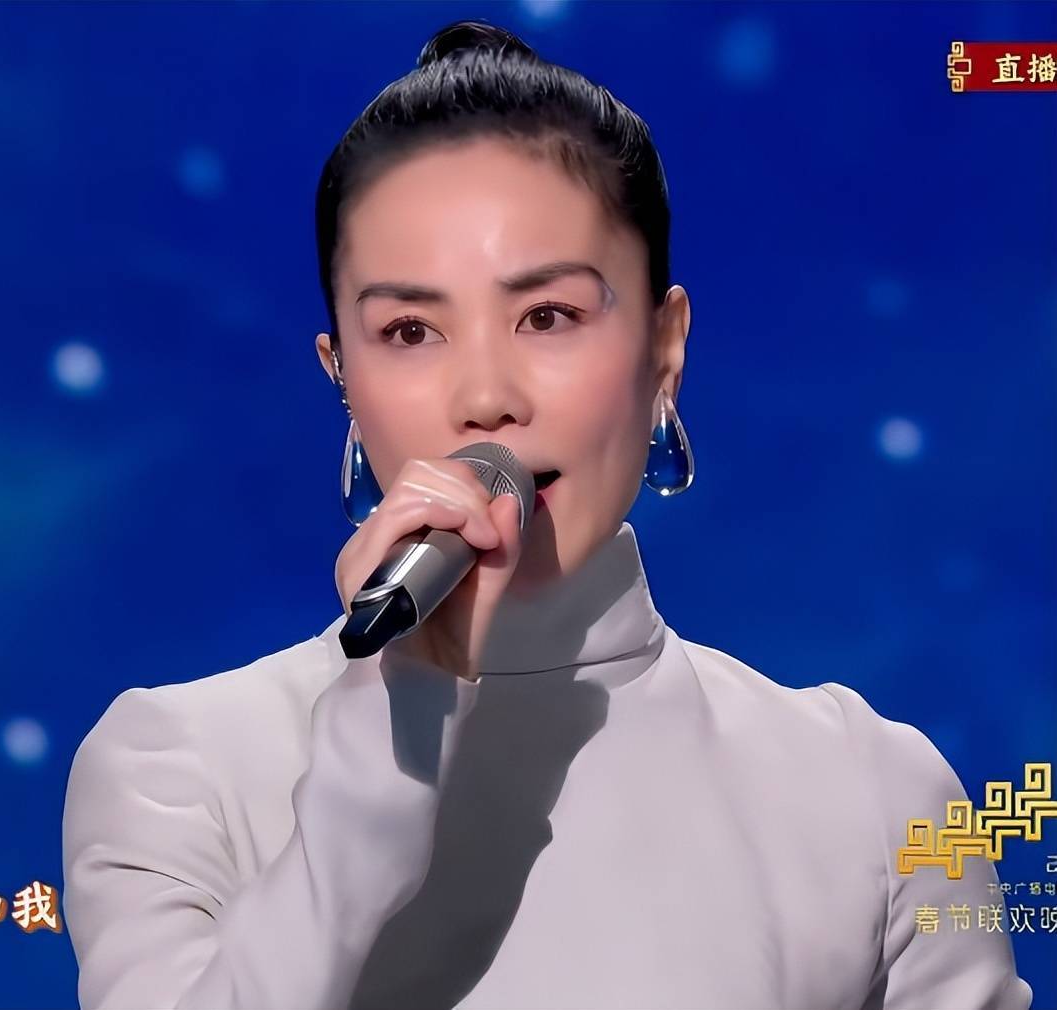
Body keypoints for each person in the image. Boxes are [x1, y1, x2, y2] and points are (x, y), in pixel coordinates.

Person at [60, 19, 1033, 1010]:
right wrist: (387, 739)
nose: (486, 397)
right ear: (341, 373)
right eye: (410, 330)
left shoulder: (870, 792)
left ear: (665, 348)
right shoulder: (179, 769)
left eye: (548, 316)